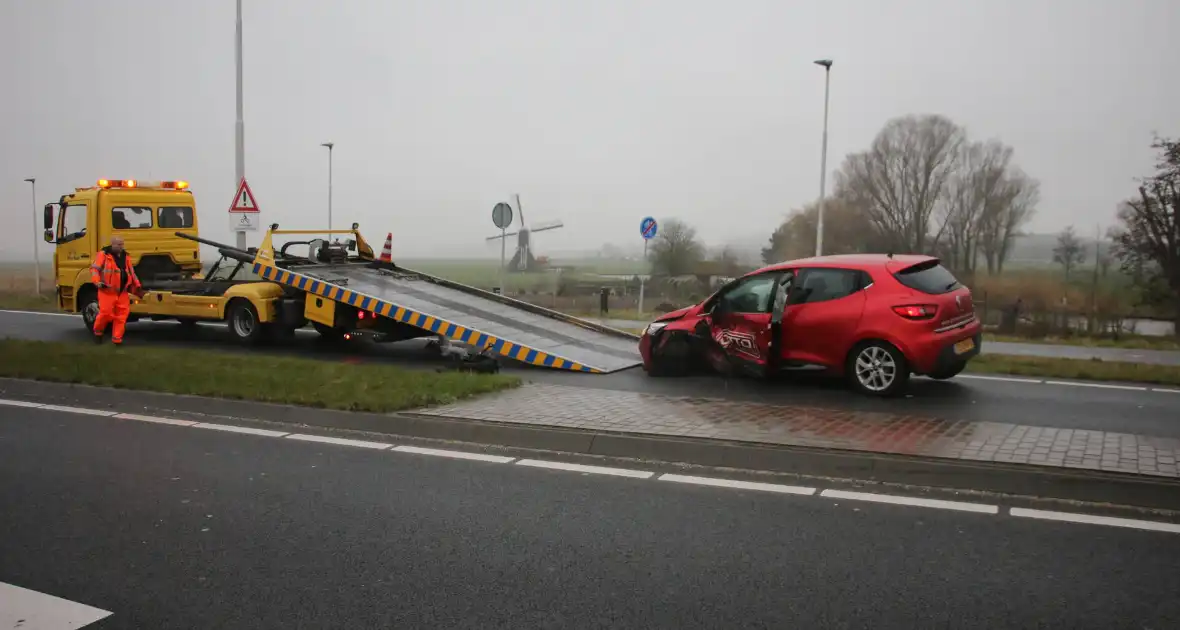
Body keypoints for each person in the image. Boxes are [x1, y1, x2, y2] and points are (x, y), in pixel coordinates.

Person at [90, 236, 142, 345]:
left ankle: (117, 340)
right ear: (112, 244)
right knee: (105, 314)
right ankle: (98, 332)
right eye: (118, 244)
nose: (121, 246)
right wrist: (97, 281)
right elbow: (95, 269)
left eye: (122, 244)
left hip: (122, 292)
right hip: (107, 291)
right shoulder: (103, 255)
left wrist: (137, 286)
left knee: (122, 316)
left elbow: (132, 273)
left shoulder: (126, 256)